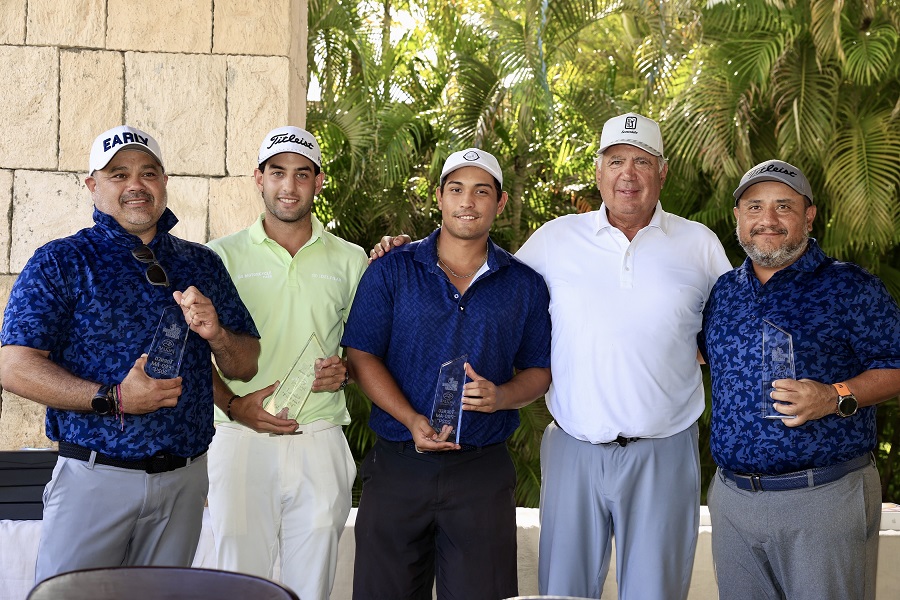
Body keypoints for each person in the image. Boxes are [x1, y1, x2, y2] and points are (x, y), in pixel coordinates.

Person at [370, 114, 731, 599]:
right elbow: (486, 279)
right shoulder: (556, 239)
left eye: (642, 162)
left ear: (661, 172)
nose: (628, 174)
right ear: (598, 171)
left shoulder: (699, 244)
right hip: (573, 452)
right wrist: (403, 249)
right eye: (615, 161)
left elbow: (732, 330)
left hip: (664, 451)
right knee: (561, 594)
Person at [0, 125, 260, 583]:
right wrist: (113, 398)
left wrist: (217, 333)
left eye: (148, 172)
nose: (136, 185)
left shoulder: (201, 263)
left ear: (164, 182)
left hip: (183, 482)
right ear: (92, 185)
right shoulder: (61, 261)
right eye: (119, 174)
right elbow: (14, 367)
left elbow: (245, 365)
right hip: (94, 478)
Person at [342, 148, 552, 600]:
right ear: (438, 197)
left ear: (500, 202)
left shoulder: (524, 284)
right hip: (398, 466)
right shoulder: (392, 269)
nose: (467, 202)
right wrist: (409, 419)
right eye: (456, 189)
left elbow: (539, 370)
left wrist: (502, 396)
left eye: (482, 191)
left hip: (481, 473)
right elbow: (360, 355)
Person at [699, 160, 900, 600]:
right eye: (755, 207)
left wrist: (833, 395)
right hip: (733, 501)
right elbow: (702, 355)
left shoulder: (851, 287)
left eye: (783, 206)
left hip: (823, 496)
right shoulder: (724, 292)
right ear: (738, 217)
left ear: (809, 216)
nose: (767, 219)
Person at [205, 126, 367, 600]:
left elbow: (365, 352)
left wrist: (346, 371)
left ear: (319, 182)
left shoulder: (351, 259)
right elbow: (195, 356)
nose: (289, 186)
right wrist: (234, 405)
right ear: (259, 178)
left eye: (302, 174)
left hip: (319, 436)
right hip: (238, 437)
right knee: (238, 587)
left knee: (312, 588)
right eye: (277, 173)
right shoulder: (219, 256)